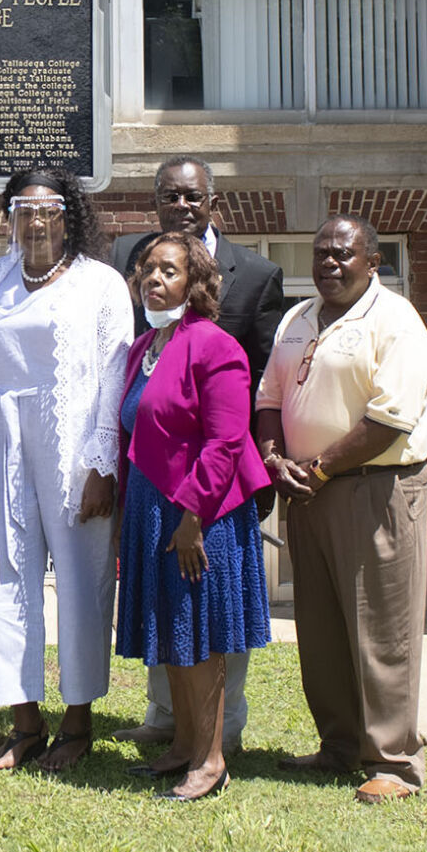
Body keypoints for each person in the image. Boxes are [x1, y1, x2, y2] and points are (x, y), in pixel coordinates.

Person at [0, 168, 131, 772]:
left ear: (69, 215)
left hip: (75, 445)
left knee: (81, 579)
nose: (37, 220)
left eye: (48, 209)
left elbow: (115, 371)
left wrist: (103, 461)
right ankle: (24, 722)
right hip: (4, 439)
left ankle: (78, 721)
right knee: (1, 572)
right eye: (24, 209)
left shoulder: (101, 283)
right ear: (11, 216)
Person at [255, 213, 427, 804]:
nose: (328, 264)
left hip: (374, 490)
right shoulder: (297, 317)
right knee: (323, 627)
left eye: (343, 255)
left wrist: (321, 467)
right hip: (308, 490)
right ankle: (337, 746)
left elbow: (388, 420)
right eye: (320, 254)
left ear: (373, 262)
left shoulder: (395, 321)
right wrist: (274, 456)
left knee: (382, 627)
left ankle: (393, 761)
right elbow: (270, 398)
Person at [110, 156, 284, 753]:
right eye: (169, 195)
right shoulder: (143, 331)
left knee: (209, 617)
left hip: (207, 492)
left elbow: (248, 396)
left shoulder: (250, 285)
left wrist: (200, 506)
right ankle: (174, 727)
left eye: (192, 196)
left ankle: (217, 737)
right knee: (170, 615)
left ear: (213, 201)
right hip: (152, 492)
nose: (154, 279)